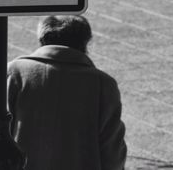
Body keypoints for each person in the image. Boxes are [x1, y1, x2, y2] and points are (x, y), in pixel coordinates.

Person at [7, 15, 127, 170]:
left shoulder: (15, 73)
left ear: (42, 39)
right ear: (85, 43)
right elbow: (112, 150)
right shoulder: (103, 84)